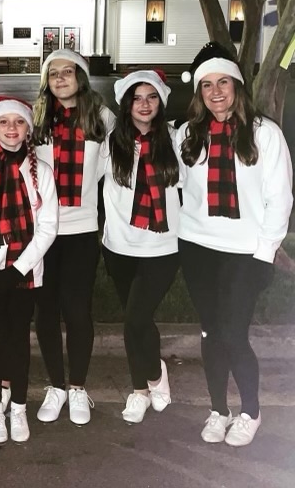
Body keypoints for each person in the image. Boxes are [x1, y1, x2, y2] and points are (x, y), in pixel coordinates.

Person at [176, 42, 292, 447]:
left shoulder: (265, 134)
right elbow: (174, 185)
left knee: (234, 333)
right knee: (211, 332)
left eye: (222, 82)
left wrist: (265, 254)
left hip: (245, 253)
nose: (215, 92)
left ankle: (250, 411)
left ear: (237, 86)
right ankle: (218, 410)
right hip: (197, 247)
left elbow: (280, 199)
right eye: (206, 85)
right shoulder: (187, 134)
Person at [0, 97, 57, 445]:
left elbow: (48, 227)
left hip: (24, 273)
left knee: (18, 339)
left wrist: (17, 271)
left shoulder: (41, 172)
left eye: (19, 122)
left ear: (28, 130)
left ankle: (18, 406)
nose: (11, 128)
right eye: (4, 122)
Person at [33, 48, 115, 426]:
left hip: (81, 228)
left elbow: (110, 167)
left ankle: (78, 386)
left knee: (77, 309)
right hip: (43, 231)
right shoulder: (37, 119)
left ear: (80, 77)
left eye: (68, 72)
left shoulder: (101, 118)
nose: (61, 79)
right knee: (46, 310)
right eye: (54, 73)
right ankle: (56, 386)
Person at [99, 70, 180, 424]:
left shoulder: (176, 139)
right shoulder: (111, 142)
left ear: (161, 101)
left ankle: (151, 378)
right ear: (126, 104)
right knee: (138, 320)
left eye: (151, 97)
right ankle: (142, 389)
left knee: (135, 318)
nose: (144, 104)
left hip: (163, 246)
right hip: (120, 245)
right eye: (137, 98)